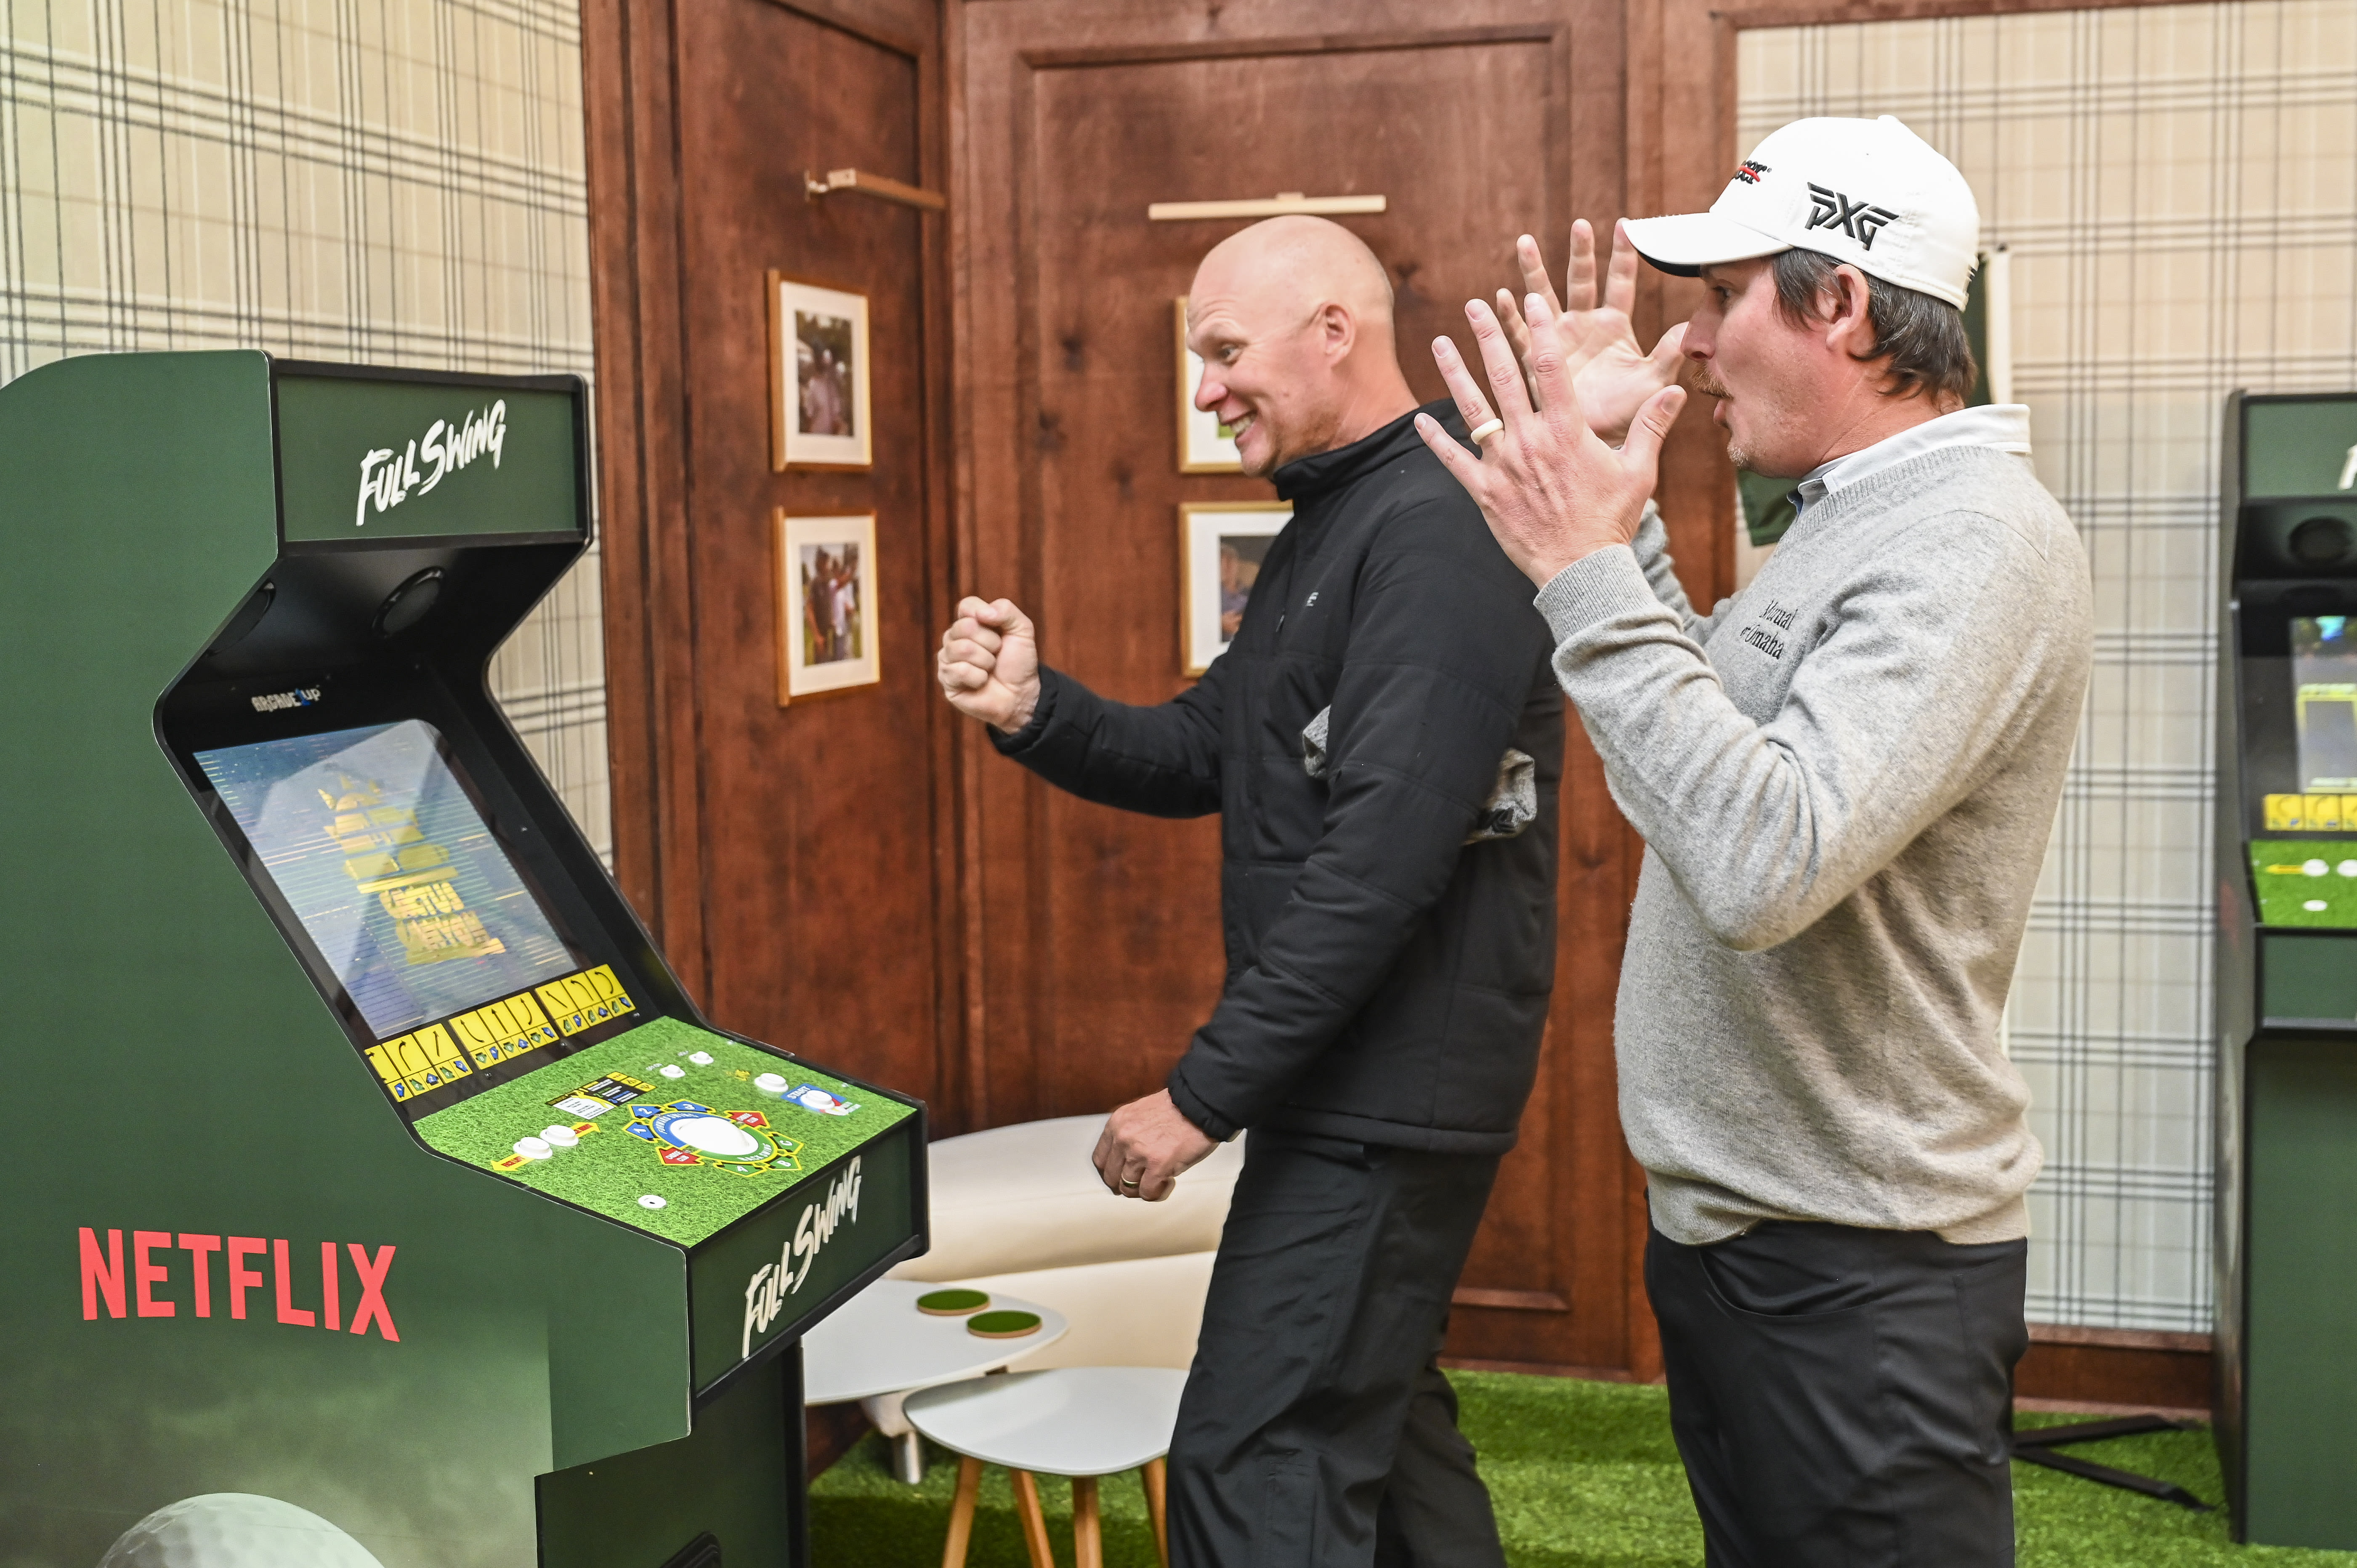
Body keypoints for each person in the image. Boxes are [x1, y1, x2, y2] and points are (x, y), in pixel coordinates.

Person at [1414, 116, 2093, 1566]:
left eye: (1726, 298)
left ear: (1839, 305)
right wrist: (1622, 513)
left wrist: (1585, 565)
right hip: (1756, 1236)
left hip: (1861, 1266)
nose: (1700, 345)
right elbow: (1716, 738)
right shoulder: (1856, 519)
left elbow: (1760, 864)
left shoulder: (1972, 538)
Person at [935, 215, 1564, 1566]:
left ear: (1332, 333)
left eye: (1225, 353)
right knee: (1379, 1438)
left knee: (1255, 1460)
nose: (1207, 389)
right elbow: (1207, 748)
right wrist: (1034, 708)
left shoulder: (1438, 527)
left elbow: (1383, 858)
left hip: (1381, 1101)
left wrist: (1200, 1097)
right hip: (1349, 1088)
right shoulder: (1336, 519)